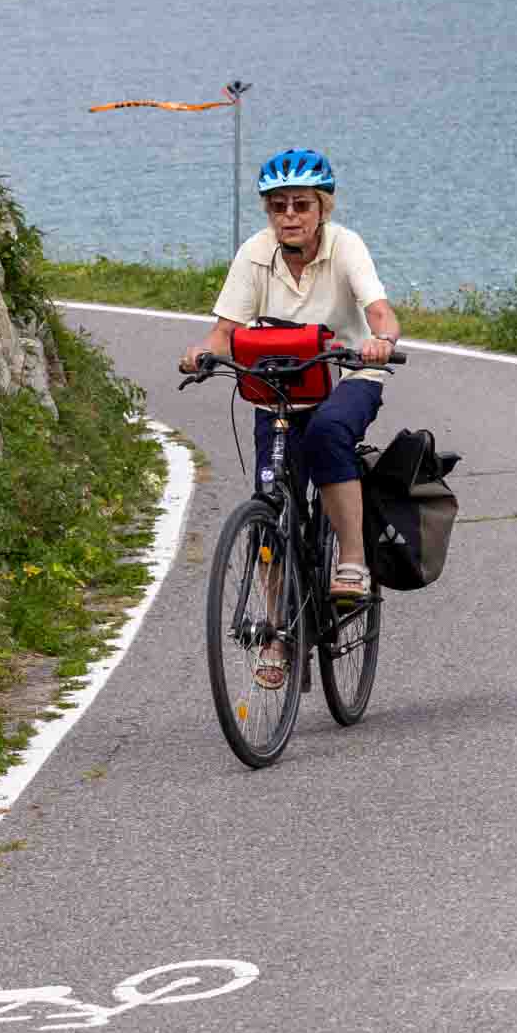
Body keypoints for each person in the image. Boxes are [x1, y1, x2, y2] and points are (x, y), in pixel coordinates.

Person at [180, 149, 401, 689]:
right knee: (270, 501)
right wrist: (202, 352)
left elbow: (379, 312)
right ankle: (279, 630)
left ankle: (351, 560)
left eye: (301, 204)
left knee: (328, 436)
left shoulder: (346, 247)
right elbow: (224, 329)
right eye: (278, 206)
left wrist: (381, 343)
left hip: (347, 377)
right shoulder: (255, 254)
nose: (289, 216)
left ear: (322, 208)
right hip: (276, 388)